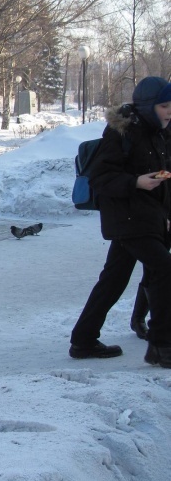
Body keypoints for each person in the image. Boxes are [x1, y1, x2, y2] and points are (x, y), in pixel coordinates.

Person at [69, 76, 171, 368]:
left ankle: (83, 339)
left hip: (151, 216)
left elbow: (167, 174)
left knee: (114, 278)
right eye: (164, 106)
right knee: (165, 269)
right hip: (127, 215)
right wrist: (136, 182)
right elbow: (102, 178)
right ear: (149, 105)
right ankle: (162, 346)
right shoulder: (122, 131)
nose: (169, 111)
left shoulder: (163, 132)